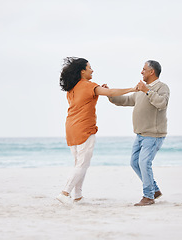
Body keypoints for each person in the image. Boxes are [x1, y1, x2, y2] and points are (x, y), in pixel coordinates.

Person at [57, 57, 137, 205]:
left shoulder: (72, 87)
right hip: (84, 128)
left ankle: (78, 196)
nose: (92, 70)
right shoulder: (88, 86)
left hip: (71, 127)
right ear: (82, 71)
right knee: (82, 164)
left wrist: (102, 90)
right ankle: (65, 193)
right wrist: (133, 89)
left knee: (79, 163)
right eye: (89, 67)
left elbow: (98, 94)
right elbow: (112, 93)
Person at [107, 60, 170, 206]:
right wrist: (110, 95)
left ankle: (148, 197)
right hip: (140, 135)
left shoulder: (162, 87)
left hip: (153, 135)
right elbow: (126, 100)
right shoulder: (142, 90)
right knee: (134, 163)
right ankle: (154, 190)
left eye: (143, 69)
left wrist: (147, 91)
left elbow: (162, 103)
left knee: (144, 162)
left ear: (151, 72)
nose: (141, 72)